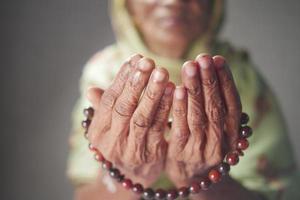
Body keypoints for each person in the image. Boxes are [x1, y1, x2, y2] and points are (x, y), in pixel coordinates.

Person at [67, 0, 300, 199]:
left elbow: (275, 191)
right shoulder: (103, 75)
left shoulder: (243, 80)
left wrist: (206, 178)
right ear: (127, 6)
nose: (174, 1)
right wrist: (122, 175)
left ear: (213, 6)